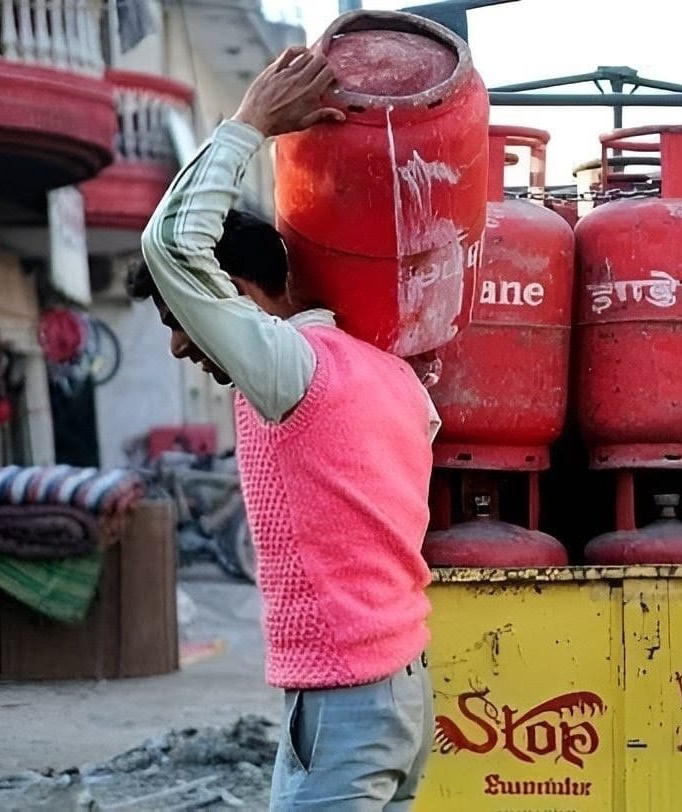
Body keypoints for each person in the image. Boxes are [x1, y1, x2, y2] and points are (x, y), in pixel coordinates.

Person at [129, 47, 439, 811]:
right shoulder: (388, 375)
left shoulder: (291, 367)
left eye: (180, 321)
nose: (178, 345)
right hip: (402, 696)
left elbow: (170, 245)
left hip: (346, 705)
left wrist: (248, 126)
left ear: (231, 295)